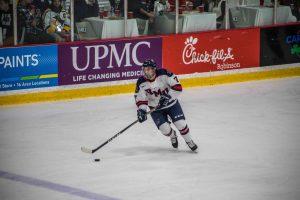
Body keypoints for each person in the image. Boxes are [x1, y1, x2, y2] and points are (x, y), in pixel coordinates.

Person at [134, 59, 198, 151]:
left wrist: (168, 97)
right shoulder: (141, 82)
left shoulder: (165, 74)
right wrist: (142, 110)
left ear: (154, 69)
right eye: (144, 69)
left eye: (148, 69)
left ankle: (189, 140)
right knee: (165, 130)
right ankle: (173, 135)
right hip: (155, 109)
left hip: (172, 104)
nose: (145, 71)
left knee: (181, 124)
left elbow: (178, 87)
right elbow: (140, 99)